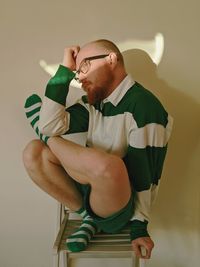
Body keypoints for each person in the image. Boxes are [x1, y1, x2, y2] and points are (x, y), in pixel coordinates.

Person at [23, 39, 173, 259]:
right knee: (33, 152)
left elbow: (146, 172)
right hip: (90, 194)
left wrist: (139, 227)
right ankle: (88, 217)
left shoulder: (144, 106)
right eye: (76, 71)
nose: (80, 77)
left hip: (120, 206)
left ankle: (48, 141)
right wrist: (64, 71)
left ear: (111, 59)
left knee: (109, 165)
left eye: (84, 66)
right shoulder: (93, 103)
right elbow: (50, 125)